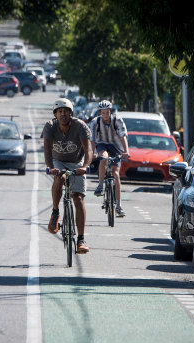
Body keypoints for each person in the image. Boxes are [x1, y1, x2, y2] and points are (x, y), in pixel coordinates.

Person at [43, 98, 93, 254]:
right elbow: (46, 151)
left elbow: (88, 150)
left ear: (71, 113)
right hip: (57, 161)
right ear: (56, 114)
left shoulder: (80, 126)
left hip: (76, 162)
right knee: (60, 178)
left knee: (78, 198)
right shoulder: (50, 126)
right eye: (60, 112)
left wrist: (85, 166)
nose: (63, 114)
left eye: (66, 111)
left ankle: (81, 240)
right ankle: (55, 212)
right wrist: (51, 168)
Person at [89, 100, 130, 217]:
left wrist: (126, 151)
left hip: (116, 146)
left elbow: (123, 136)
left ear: (110, 112)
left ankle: (118, 205)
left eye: (107, 112)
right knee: (104, 158)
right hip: (101, 144)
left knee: (116, 174)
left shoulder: (117, 120)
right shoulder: (95, 122)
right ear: (100, 113)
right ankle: (100, 184)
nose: (106, 115)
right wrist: (93, 153)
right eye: (103, 113)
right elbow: (91, 139)